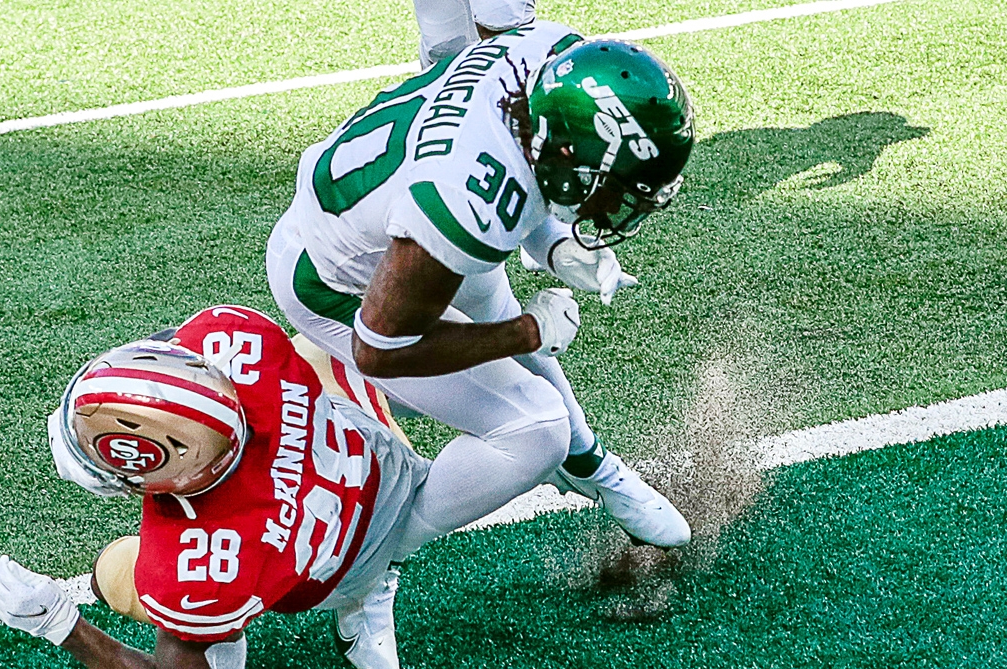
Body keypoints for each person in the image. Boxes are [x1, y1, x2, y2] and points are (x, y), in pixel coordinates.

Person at [266, 24, 698, 574]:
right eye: (617, 183)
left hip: (396, 216)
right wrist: (527, 333)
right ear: (571, 153)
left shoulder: (554, 58)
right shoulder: (466, 204)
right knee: (536, 428)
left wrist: (557, 245)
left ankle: (590, 465)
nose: (620, 200)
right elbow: (383, 348)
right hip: (340, 283)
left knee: (498, 310)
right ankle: (371, 568)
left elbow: (524, 172)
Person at [0, 305, 445, 669]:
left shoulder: (203, 565)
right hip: (365, 461)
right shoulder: (234, 338)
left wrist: (62, 624)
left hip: (335, 568)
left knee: (117, 577)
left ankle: (371, 582)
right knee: (350, 330)